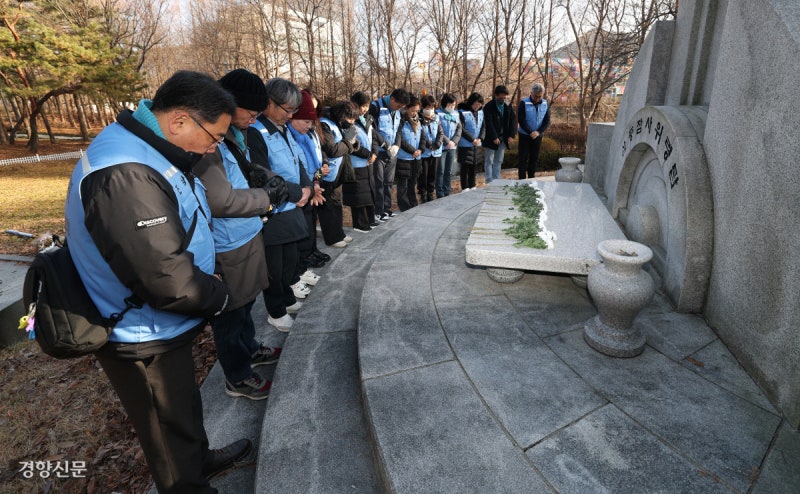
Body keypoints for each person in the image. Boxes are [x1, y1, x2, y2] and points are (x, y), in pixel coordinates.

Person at [64, 70, 250, 493]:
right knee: (165, 427)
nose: (214, 147)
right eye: (215, 137)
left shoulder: (146, 147)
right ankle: (186, 483)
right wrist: (220, 294)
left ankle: (198, 459)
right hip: (140, 331)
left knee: (180, 406)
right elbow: (166, 278)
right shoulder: (125, 173)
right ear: (180, 121)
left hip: (160, 321)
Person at [194, 69, 288, 400]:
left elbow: (244, 171)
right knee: (231, 313)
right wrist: (265, 198)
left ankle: (249, 348)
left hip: (246, 233)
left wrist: (268, 178)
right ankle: (237, 376)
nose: (254, 118)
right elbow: (219, 200)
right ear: (230, 103)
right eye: (250, 111)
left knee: (246, 303)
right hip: (227, 242)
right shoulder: (211, 142)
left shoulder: (236, 134)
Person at [248, 78, 319, 332]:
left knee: (290, 260)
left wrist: (307, 187)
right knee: (274, 268)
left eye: (293, 111)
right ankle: (276, 311)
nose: (290, 116)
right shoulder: (255, 132)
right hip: (274, 209)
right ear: (269, 102)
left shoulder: (283, 129)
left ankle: (287, 299)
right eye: (287, 110)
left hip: (292, 205)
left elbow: (296, 161)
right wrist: (296, 192)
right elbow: (261, 173)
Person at [288, 89, 328, 279]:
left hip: (312, 185)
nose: (309, 125)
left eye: (311, 121)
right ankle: (302, 262)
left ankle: (310, 253)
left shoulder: (307, 135)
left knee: (310, 223)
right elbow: (300, 167)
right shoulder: (290, 137)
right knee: (302, 229)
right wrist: (312, 183)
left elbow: (315, 160)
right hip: (299, 191)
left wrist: (317, 179)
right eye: (306, 121)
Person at [319, 101, 360, 247]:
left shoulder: (338, 123)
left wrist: (353, 142)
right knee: (328, 205)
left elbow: (346, 146)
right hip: (327, 173)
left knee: (336, 203)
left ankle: (339, 233)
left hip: (339, 171)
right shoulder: (324, 124)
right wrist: (348, 141)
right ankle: (332, 237)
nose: (352, 121)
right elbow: (332, 150)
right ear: (341, 115)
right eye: (350, 118)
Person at [369, 88, 410, 221]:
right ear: (392, 99)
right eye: (398, 105)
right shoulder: (375, 107)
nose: (399, 109)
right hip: (380, 152)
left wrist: (397, 145)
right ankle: (378, 211)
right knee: (379, 182)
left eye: (401, 107)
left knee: (388, 182)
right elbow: (373, 131)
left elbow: (399, 130)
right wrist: (386, 145)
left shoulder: (398, 111)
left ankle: (387, 209)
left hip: (392, 153)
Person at [343, 91, 379, 232]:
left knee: (368, 192)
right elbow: (351, 144)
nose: (365, 109)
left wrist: (374, 153)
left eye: (367, 106)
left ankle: (369, 219)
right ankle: (360, 224)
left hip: (368, 162)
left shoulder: (368, 119)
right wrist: (368, 155)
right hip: (356, 163)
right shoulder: (349, 121)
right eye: (362, 106)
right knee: (358, 194)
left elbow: (374, 138)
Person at [394, 96, 424, 211]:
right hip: (404, 158)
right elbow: (400, 139)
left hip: (416, 158)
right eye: (412, 110)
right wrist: (413, 151)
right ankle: (404, 206)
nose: (415, 113)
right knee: (403, 185)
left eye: (417, 111)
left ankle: (413, 204)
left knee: (412, 184)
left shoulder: (418, 121)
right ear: (406, 108)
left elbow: (422, 137)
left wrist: (420, 149)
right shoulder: (401, 121)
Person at [482, 85, 516, 183]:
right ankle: (489, 181)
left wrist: (511, 135)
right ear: (496, 95)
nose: (504, 98)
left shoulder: (508, 106)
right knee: (489, 160)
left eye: (505, 96)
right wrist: (494, 137)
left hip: (503, 138)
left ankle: (496, 180)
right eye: (501, 96)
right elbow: (488, 123)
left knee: (499, 160)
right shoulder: (489, 106)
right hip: (490, 138)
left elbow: (513, 121)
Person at [517, 82, 551, 179]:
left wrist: (538, 132)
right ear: (531, 93)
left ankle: (531, 178)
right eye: (536, 96)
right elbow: (521, 120)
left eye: (540, 96)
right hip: (524, 135)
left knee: (534, 159)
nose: (538, 99)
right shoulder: (524, 103)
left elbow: (547, 121)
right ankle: (522, 181)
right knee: (522, 159)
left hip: (537, 136)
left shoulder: (545, 103)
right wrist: (530, 132)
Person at [418, 94, 444, 203]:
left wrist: (437, 144)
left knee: (433, 174)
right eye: (428, 107)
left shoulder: (436, 117)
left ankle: (430, 192)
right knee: (423, 175)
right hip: (425, 152)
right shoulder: (419, 118)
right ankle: (423, 194)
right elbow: (421, 134)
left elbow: (440, 132)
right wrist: (429, 145)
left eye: (432, 107)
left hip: (436, 152)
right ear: (423, 107)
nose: (430, 109)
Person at [435, 93, 461, 198]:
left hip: (452, 146)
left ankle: (447, 191)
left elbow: (459, 129)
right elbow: (438, 130)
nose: (452, 107)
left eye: (454, 105)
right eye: (450, 105)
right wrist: (447, 141)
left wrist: (454, 141)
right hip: (442, 146)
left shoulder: (456, 114)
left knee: (448, 170)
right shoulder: (438, 113)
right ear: (445, 103)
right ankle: (440, 192)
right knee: (440, 170)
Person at [457, 92, 485, 191]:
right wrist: (472, 139)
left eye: (479, 105)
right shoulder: (462, 112)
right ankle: (465, 187)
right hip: (465, 143)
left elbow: (483, 127)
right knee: (465, 166)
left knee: (474, 165)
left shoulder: (481, 112)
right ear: (471, 102)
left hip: (477, 143)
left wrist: (480, 138)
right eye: (476, 104)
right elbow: (462, 129)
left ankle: (472, 185)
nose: (477, 106)